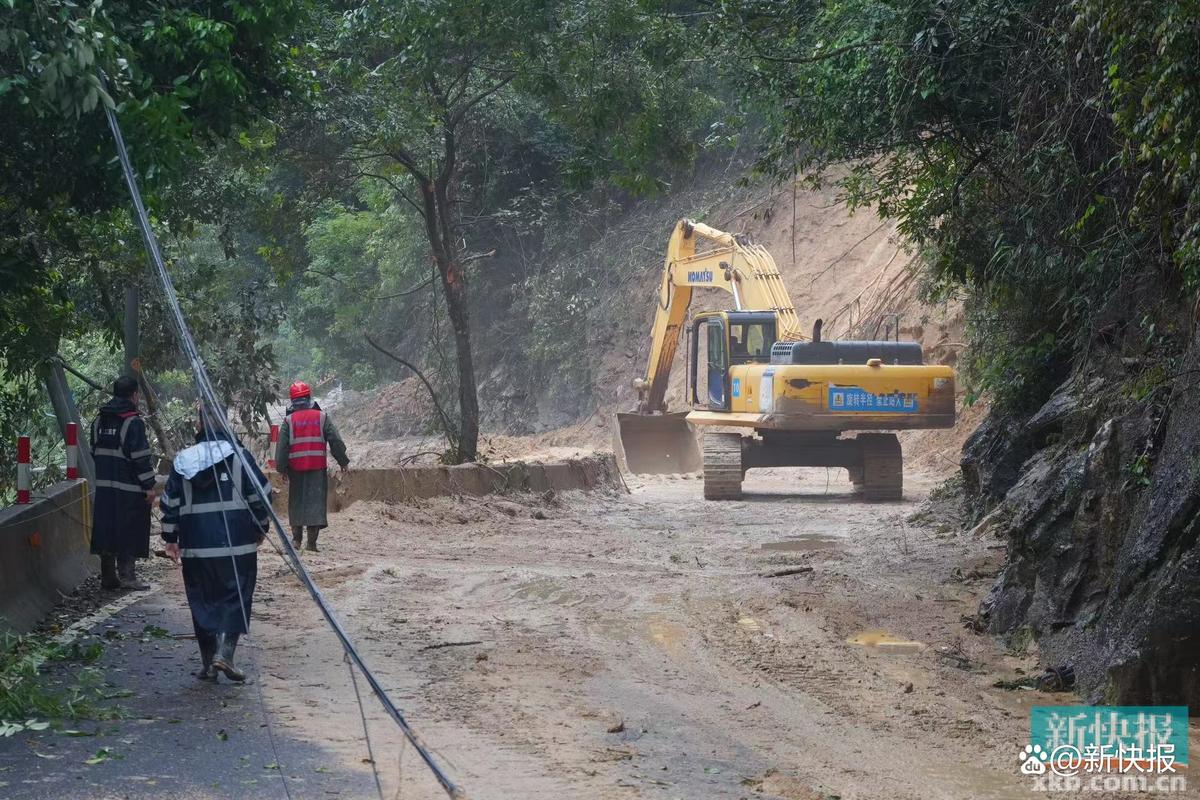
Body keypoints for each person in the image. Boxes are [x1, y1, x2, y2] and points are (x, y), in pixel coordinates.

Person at [159, 418, 272, 682]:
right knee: (237, 597)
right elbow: (261, 496)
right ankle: (226, 653)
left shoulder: (182, 460)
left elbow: (169, 504)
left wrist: (170, 538)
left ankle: (208, 664)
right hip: (237, 546)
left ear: (199, 432)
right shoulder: (239, 456)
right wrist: (262, 527)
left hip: (196, 548)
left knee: (202, 600)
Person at [90, 375, 157, 591]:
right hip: (129, 490)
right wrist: (148, 486)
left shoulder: (99, 420)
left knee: (106, 529)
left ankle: (108, 576)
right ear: (135, 396)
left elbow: (94, 451)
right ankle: (128, 577)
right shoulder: (132, 422)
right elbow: (140, 458)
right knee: (129, 530)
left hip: (104, 488)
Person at [275, 381, 349, 552]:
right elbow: (335, 441)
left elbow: (281, 450)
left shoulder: (288, 420)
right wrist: (343, 461)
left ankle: (296, 540)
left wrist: (282, 468)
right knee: (315, 503)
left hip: (295, 469)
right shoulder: (322, 417)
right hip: (317, 468)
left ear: (292, 400)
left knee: (297, 502)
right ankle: (311, 544)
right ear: (309, 397)